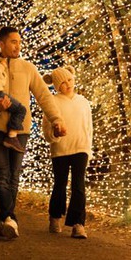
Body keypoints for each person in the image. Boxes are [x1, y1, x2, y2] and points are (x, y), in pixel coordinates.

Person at [0, 26, 66, 239]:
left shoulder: (27, 68)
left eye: (19, 41)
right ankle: (10, 218)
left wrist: (56, 119)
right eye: (13, 41)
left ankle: (5, 219)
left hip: (20, 130)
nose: (18, 45)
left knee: (14, 176)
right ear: (1, 43)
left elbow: (44, 96)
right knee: (2, 175)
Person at [42, 66, 93, 239]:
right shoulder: (53, 102)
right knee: (60, 184)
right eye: (62, 83)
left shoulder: (83, 102)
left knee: (79, 185)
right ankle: (55, 216)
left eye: (69, 80)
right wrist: (54, 134)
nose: (67, 84)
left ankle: (78, 223)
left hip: (81, 148)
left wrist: (88, 149)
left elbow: (88, 127)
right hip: (61, 150)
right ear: (56, 86)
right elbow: (47, 130)